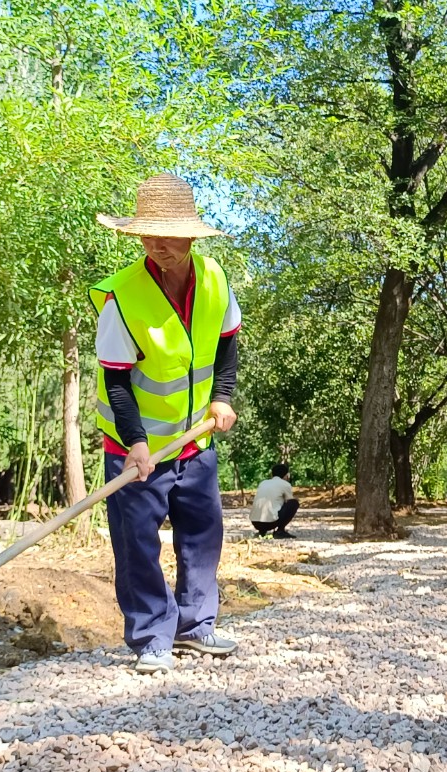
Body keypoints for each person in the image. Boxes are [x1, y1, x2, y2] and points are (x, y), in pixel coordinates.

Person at [91, 173, 242, 675]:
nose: (158, 244)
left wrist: (221, 399)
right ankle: (152, 634)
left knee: (202, 533)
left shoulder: (216, 280)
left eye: (169, 233)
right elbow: (116, 382)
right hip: (135, 449)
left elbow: (227, 344)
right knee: (137, 542)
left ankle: (195, 628)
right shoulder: (122, 297)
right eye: (148, 234)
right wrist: (134, 443)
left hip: (194, 441)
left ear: (192, 234)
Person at [250, 463, 299, 538]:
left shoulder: (263, 483)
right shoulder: (285, 484)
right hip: (271, 523)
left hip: (255, 522)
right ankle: (280, 531)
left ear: (272, 474)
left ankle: (262, 531)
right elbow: (289, 501)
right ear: (286, 475)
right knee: (294, 503)